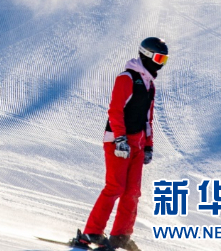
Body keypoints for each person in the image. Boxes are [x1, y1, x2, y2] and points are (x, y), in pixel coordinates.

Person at [70, 37, 169, 251]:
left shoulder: (150, 84)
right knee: (115, 187)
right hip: (118, 141)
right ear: (147, 55)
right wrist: (120, 138)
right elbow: (115, 110)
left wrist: (149, 145)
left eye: (165, 60)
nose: (161, 64)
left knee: (132, 191)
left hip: (138, 143)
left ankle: (121, 236)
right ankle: (91, 232)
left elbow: (147, 117)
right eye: (159, 58)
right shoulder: (127, 78)